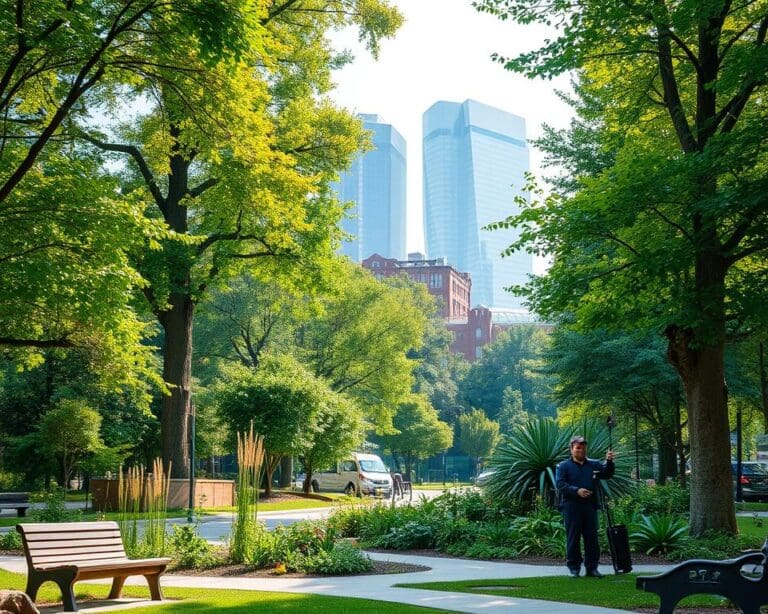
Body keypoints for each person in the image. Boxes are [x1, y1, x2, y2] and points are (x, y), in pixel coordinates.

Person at [555, 435, 615, 578]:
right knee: (573, 538)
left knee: (592, 539)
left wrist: (609, 461)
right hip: (571, 507)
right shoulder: (563, 466)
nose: (581, 450)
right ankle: (574, 568)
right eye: (578, 448)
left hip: (590, 506)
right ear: (572, 449)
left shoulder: (594, 464)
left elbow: (607, 474)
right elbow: (560, 484)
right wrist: (577, 491)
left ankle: (592, 568)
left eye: (583, 448)